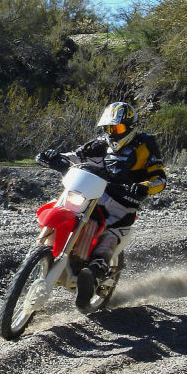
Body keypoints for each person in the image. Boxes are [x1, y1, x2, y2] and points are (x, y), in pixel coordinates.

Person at [36, 101, 167, 309]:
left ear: (131, 127)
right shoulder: (100, 143)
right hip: (93, 194)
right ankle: (47, 251)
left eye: (118, 128)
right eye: (109, 128)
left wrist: (143, 187)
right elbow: (76, 156)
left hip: (123, 201)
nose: (113, 133)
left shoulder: (145, 145)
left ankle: (93, 274)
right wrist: (55, 157)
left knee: (109, 234)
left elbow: (159, 177)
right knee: (68, 210)